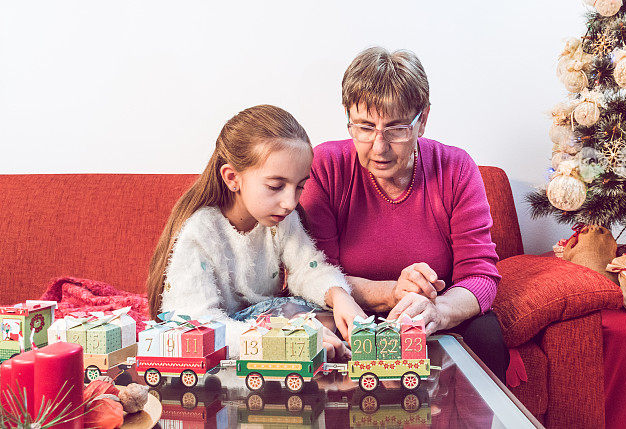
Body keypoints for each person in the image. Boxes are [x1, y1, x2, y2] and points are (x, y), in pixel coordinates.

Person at [301, 47, 509, 381]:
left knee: (486, 336)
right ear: (348, 118)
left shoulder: (456, 168)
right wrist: (393, 292)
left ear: (422, 120)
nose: (379, 147)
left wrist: (436, 311)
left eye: (396, 128)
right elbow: (313, 270)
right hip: (347, 312)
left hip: (431, 313)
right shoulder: (325, 166)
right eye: (365, 127)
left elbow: (481, 276)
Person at [146, 104, 365, 358]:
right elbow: (196, 325)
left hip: (257, 324)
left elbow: (308, 268)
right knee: (315, 331)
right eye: (275, 186)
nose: (290, 202)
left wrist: (339, 296)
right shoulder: (200, 232)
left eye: (299, 187)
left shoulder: (281, 219)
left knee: (331, 320)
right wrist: (281, 341)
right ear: (232, 178)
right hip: (217, 332)